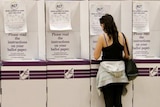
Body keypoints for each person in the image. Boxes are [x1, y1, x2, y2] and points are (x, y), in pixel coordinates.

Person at [94, 14, 130, 107]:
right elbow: (127, 55)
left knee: (108, 102)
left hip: (107, 75)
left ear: (103, 25)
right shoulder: (122, 36)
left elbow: (96, 56)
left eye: (101, 25)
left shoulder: (102, 37)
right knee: (118, 102)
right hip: (120, 74)